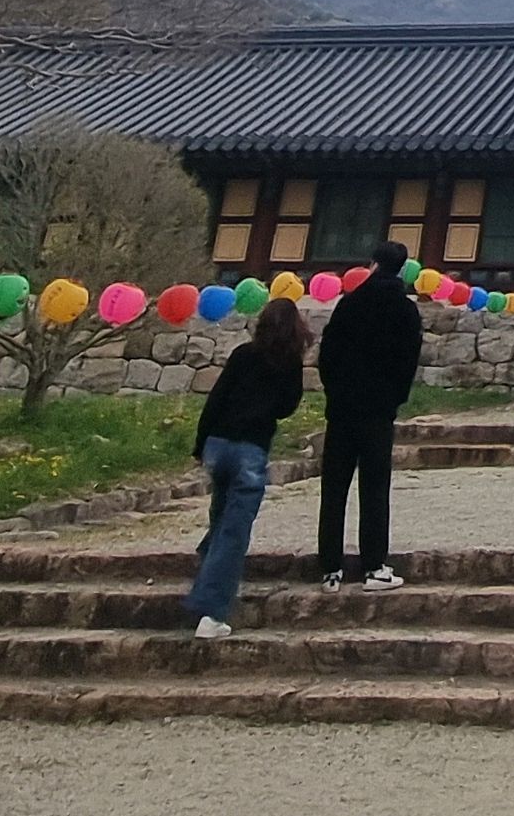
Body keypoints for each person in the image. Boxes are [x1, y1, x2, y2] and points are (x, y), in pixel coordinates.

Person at [182, 293, 308, 638]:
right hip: (251, 447)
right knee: (235, 532)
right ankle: (211, 611)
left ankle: (206, 563)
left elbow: (216, 399)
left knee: (221, 515)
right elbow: (287, 407)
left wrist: (200, 443)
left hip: (219, 442)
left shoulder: (242, 354)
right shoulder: (290, 363)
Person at [314, 241, 426, 588]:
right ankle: (374, 565)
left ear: (374, 264)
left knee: (334, 488)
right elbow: (408, 362)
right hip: (378, 410)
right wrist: (394, 399)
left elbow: (327, 354)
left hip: (343, 408)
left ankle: (330, 568)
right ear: (402, 269)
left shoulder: (349, 303)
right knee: (375, 487)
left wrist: (335, 391)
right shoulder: (405, 310)